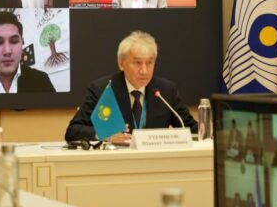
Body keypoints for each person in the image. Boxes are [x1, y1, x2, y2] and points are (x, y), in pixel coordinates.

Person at [64, 31, 198, 142]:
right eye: (137, 63)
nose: (144, 71)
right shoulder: (102, 89)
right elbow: (73, 131)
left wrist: (207, 129)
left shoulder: (166, 91)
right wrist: (105, 135)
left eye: (149, 63)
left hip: (154, 161)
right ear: (121, 63)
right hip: (117, 161)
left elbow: (191, 129)